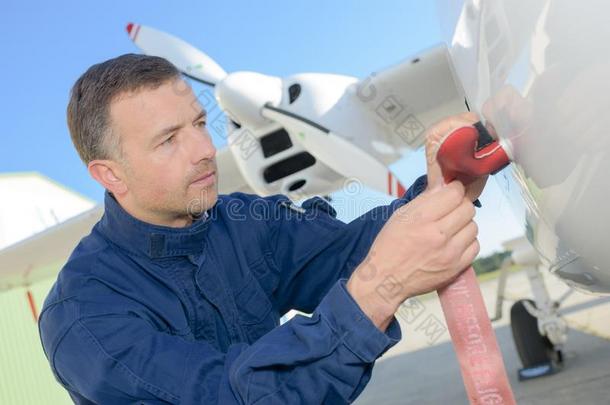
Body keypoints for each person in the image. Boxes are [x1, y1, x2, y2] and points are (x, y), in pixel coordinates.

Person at [39, 53, 486, 404]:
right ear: (110, 175)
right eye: (168, 140)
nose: (204, 149)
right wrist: (379, 290)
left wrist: (442, 184)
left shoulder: (242, 222)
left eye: (198, 123)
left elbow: (347, 254)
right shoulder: (83, 315)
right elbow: (228, 397)